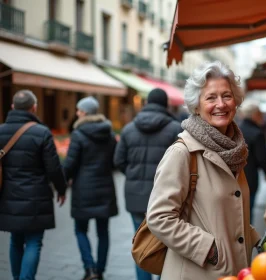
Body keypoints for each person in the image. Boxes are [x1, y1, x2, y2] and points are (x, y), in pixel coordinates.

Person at [146, 61, 260, 280]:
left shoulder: (234, 150)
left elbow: (223, 209)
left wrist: (252, 236)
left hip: (233, 271)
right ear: (196, 106)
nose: (221, 104)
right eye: (211, 97)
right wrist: (207, 248)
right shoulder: (182, 153)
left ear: (235, 101)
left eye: (226, 96)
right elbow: (159, 217)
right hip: (196, 272)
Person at [113, 88, 182, 280]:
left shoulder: (128, 129)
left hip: (135, 196)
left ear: (146, 104)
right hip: (166, 197)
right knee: (165, 244)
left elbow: (118, 160)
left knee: (141, 245)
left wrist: (134, 175)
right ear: (165, 104)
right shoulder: (175, 129)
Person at [0, 90, 67, 280]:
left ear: (12, 107)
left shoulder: (1, 131)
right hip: (36, 197)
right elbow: (54, 168)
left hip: (8, 196)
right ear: (34, 108)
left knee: (15, 240)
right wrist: (61, 190)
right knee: (34, 242)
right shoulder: (42, 132)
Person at [63, 96, 118, 280]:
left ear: (84, 112)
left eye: (78, 110)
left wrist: (62, 184)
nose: (76, 113)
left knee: (80, 230)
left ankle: (90, 269)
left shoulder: (78, 134)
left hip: (82, 189)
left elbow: (70, 164)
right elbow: (114, 161)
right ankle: (100, 271)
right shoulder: (109, 134)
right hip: (105, 188)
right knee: (103, 232)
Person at [239, 102, 266, 224]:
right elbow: (262, 157)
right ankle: (248, 235)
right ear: (254, 115)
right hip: (250, 177)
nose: (261, 117)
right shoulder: (257, 133)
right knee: (248, 209)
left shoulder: (237, 130)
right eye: (259, 114)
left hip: (234, 176)